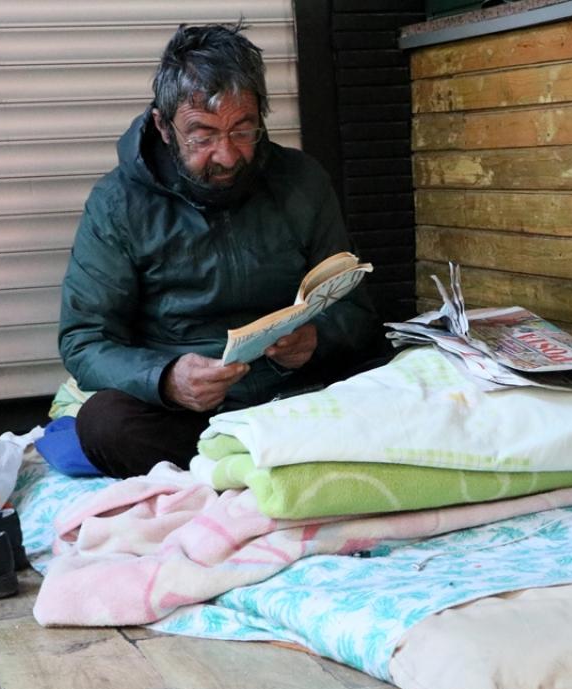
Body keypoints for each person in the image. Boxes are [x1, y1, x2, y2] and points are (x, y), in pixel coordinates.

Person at [59, 23, 381, 479]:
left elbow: (358, 312)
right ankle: (276, 461)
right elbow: (84, 340)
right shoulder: (118, 204)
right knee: (105, 424)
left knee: (405, 378)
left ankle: (251, 462)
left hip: (299, 389)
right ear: (164, 127)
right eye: (202, 136)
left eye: (243, 131)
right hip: (188, 412)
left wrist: (316, 340)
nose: (227, 156)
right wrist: (167, 378)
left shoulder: (303, 181)